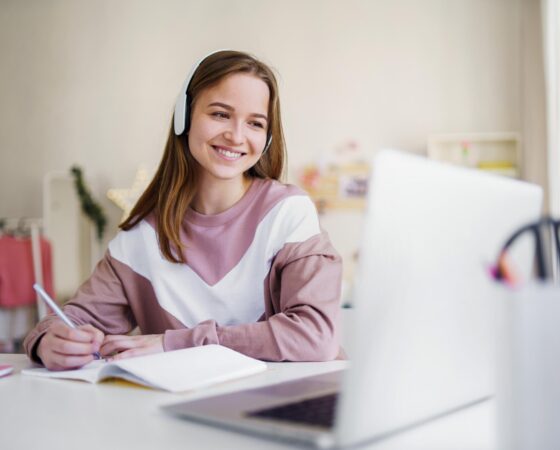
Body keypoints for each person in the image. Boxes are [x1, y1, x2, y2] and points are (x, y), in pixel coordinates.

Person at [24, 50, 343, 371]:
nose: (236, 135)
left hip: (276, 409)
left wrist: (172, 343)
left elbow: (316, 336)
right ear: (184, 117)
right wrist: (50, 340)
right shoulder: (142, 236)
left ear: (267, 137)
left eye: (255, 123)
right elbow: (74, 319)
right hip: (179, 411)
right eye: (220, 114)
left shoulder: (288, 213)